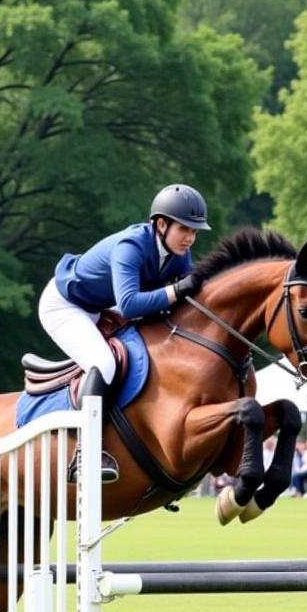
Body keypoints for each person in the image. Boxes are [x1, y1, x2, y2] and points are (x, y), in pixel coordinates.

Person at [39, 184, 210, 483]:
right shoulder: (130, 246)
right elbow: (130, 305)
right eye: (185, 229)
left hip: (100, 306)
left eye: (195, 231)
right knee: (104, 363)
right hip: (64, 305)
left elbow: (185, 300)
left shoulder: (178, 254)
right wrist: (175, 290)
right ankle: (85, 453)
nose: (190, 238)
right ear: (161, 223)